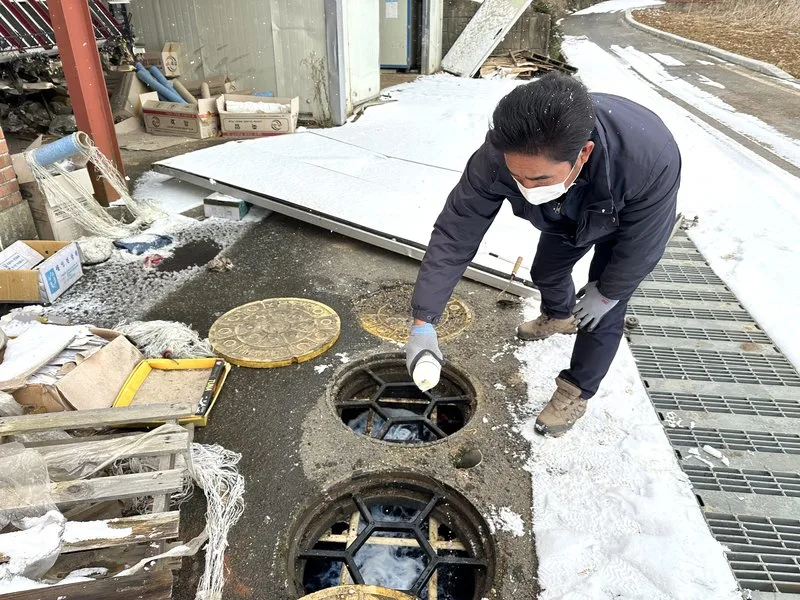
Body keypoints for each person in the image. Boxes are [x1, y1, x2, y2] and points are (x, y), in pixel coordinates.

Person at [405, 72, 681, 437]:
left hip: (618, 214)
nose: (523, 187)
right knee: (547, 271)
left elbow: (645, 242)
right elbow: (456, 231)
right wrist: (423, 320)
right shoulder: (498, 156)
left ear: (583, 153)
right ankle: (558, 315)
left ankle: (575, 391)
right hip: (565, 214)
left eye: (537, 180)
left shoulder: (648, 161)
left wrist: (610, 291)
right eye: (516, 176)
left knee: (604, 309)